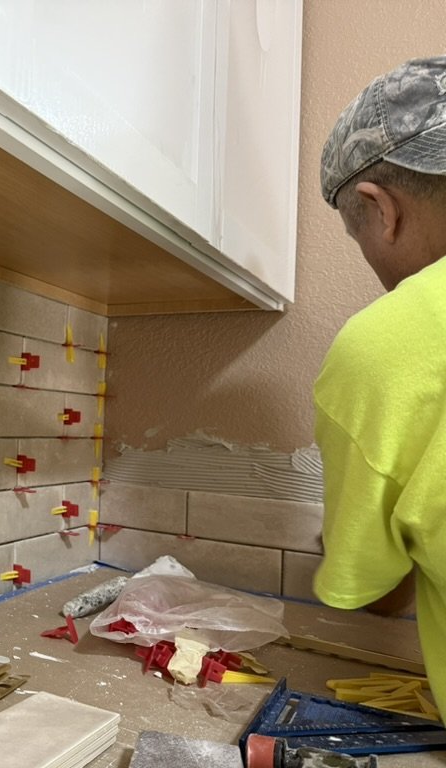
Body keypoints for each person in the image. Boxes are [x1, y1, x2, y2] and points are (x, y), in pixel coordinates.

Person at [314, 55, 446, 713]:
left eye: (355, 235)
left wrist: (342, 537)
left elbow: (369, 591)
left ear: (380, 208)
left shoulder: (385, 345)